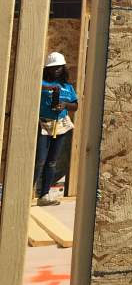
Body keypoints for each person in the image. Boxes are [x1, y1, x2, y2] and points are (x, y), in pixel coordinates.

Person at [35, 52, 78, 205]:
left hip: (60, 126)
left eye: (59, 68)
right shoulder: (41, 84)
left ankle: (44, 196)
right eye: (53, 68)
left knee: (52, 161)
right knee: (40, 160)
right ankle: (27, 192)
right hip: (43, 124)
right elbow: (36, 88)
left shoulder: (68, 87)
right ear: (47, 69)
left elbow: (75, 105)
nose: (56, 71)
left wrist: (65, 105)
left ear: (63, 68)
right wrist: (51, 87)